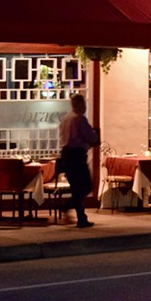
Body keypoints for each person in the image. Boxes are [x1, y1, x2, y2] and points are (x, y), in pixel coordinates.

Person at [59, 93, 98, 229]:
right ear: (79, 105)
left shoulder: (65, 119)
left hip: (66, 154)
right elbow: (91, 137)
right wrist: (94, 136)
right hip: (77, 155)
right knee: (86, 186)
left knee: (76, 187)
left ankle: (82, 218)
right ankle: (67, 206)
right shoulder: (79, 119)